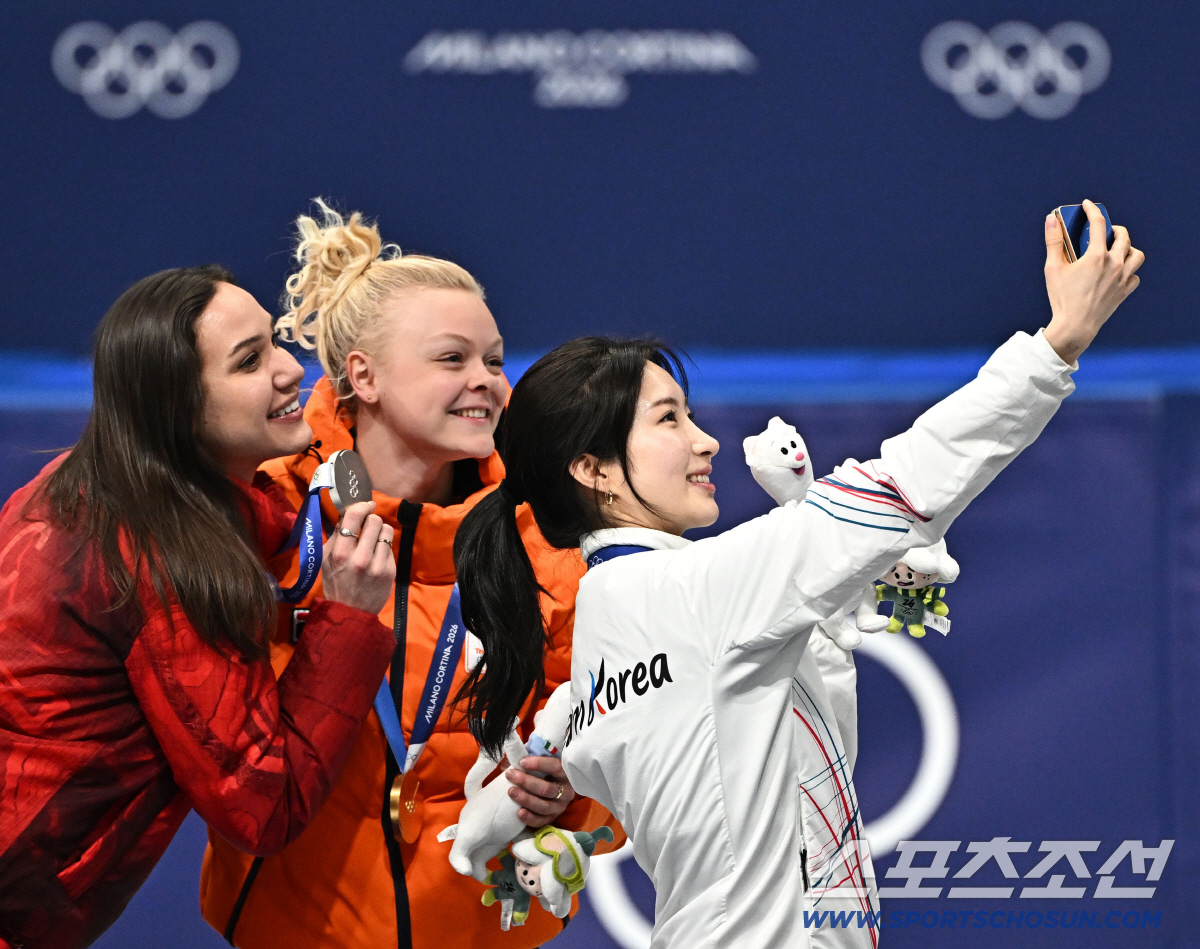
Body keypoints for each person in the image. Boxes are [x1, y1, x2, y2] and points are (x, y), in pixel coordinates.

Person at [454, 202, 1144, 947]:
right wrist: (1056, 347)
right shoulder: (700, 592)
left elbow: (485, 826)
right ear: (593, 471)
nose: (706, 440)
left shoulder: (599, 644)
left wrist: (519, 807)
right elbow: (903, 484)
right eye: (668, 420)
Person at [201, 202, 621, 949]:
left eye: (494, 360)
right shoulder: (270, 514)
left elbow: (616, 733)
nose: (486, 382)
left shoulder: (545, 538)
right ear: (363, 374)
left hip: (479, 930)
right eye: (451, 359)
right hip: (299, 926)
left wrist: (572, 797)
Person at [0, 266, 398, 949]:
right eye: (248, 362)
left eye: (274, 341)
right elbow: (264, 803)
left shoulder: (80, 485)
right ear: (176, 408)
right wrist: (351, 618)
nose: (287, 369)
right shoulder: (158, 565)